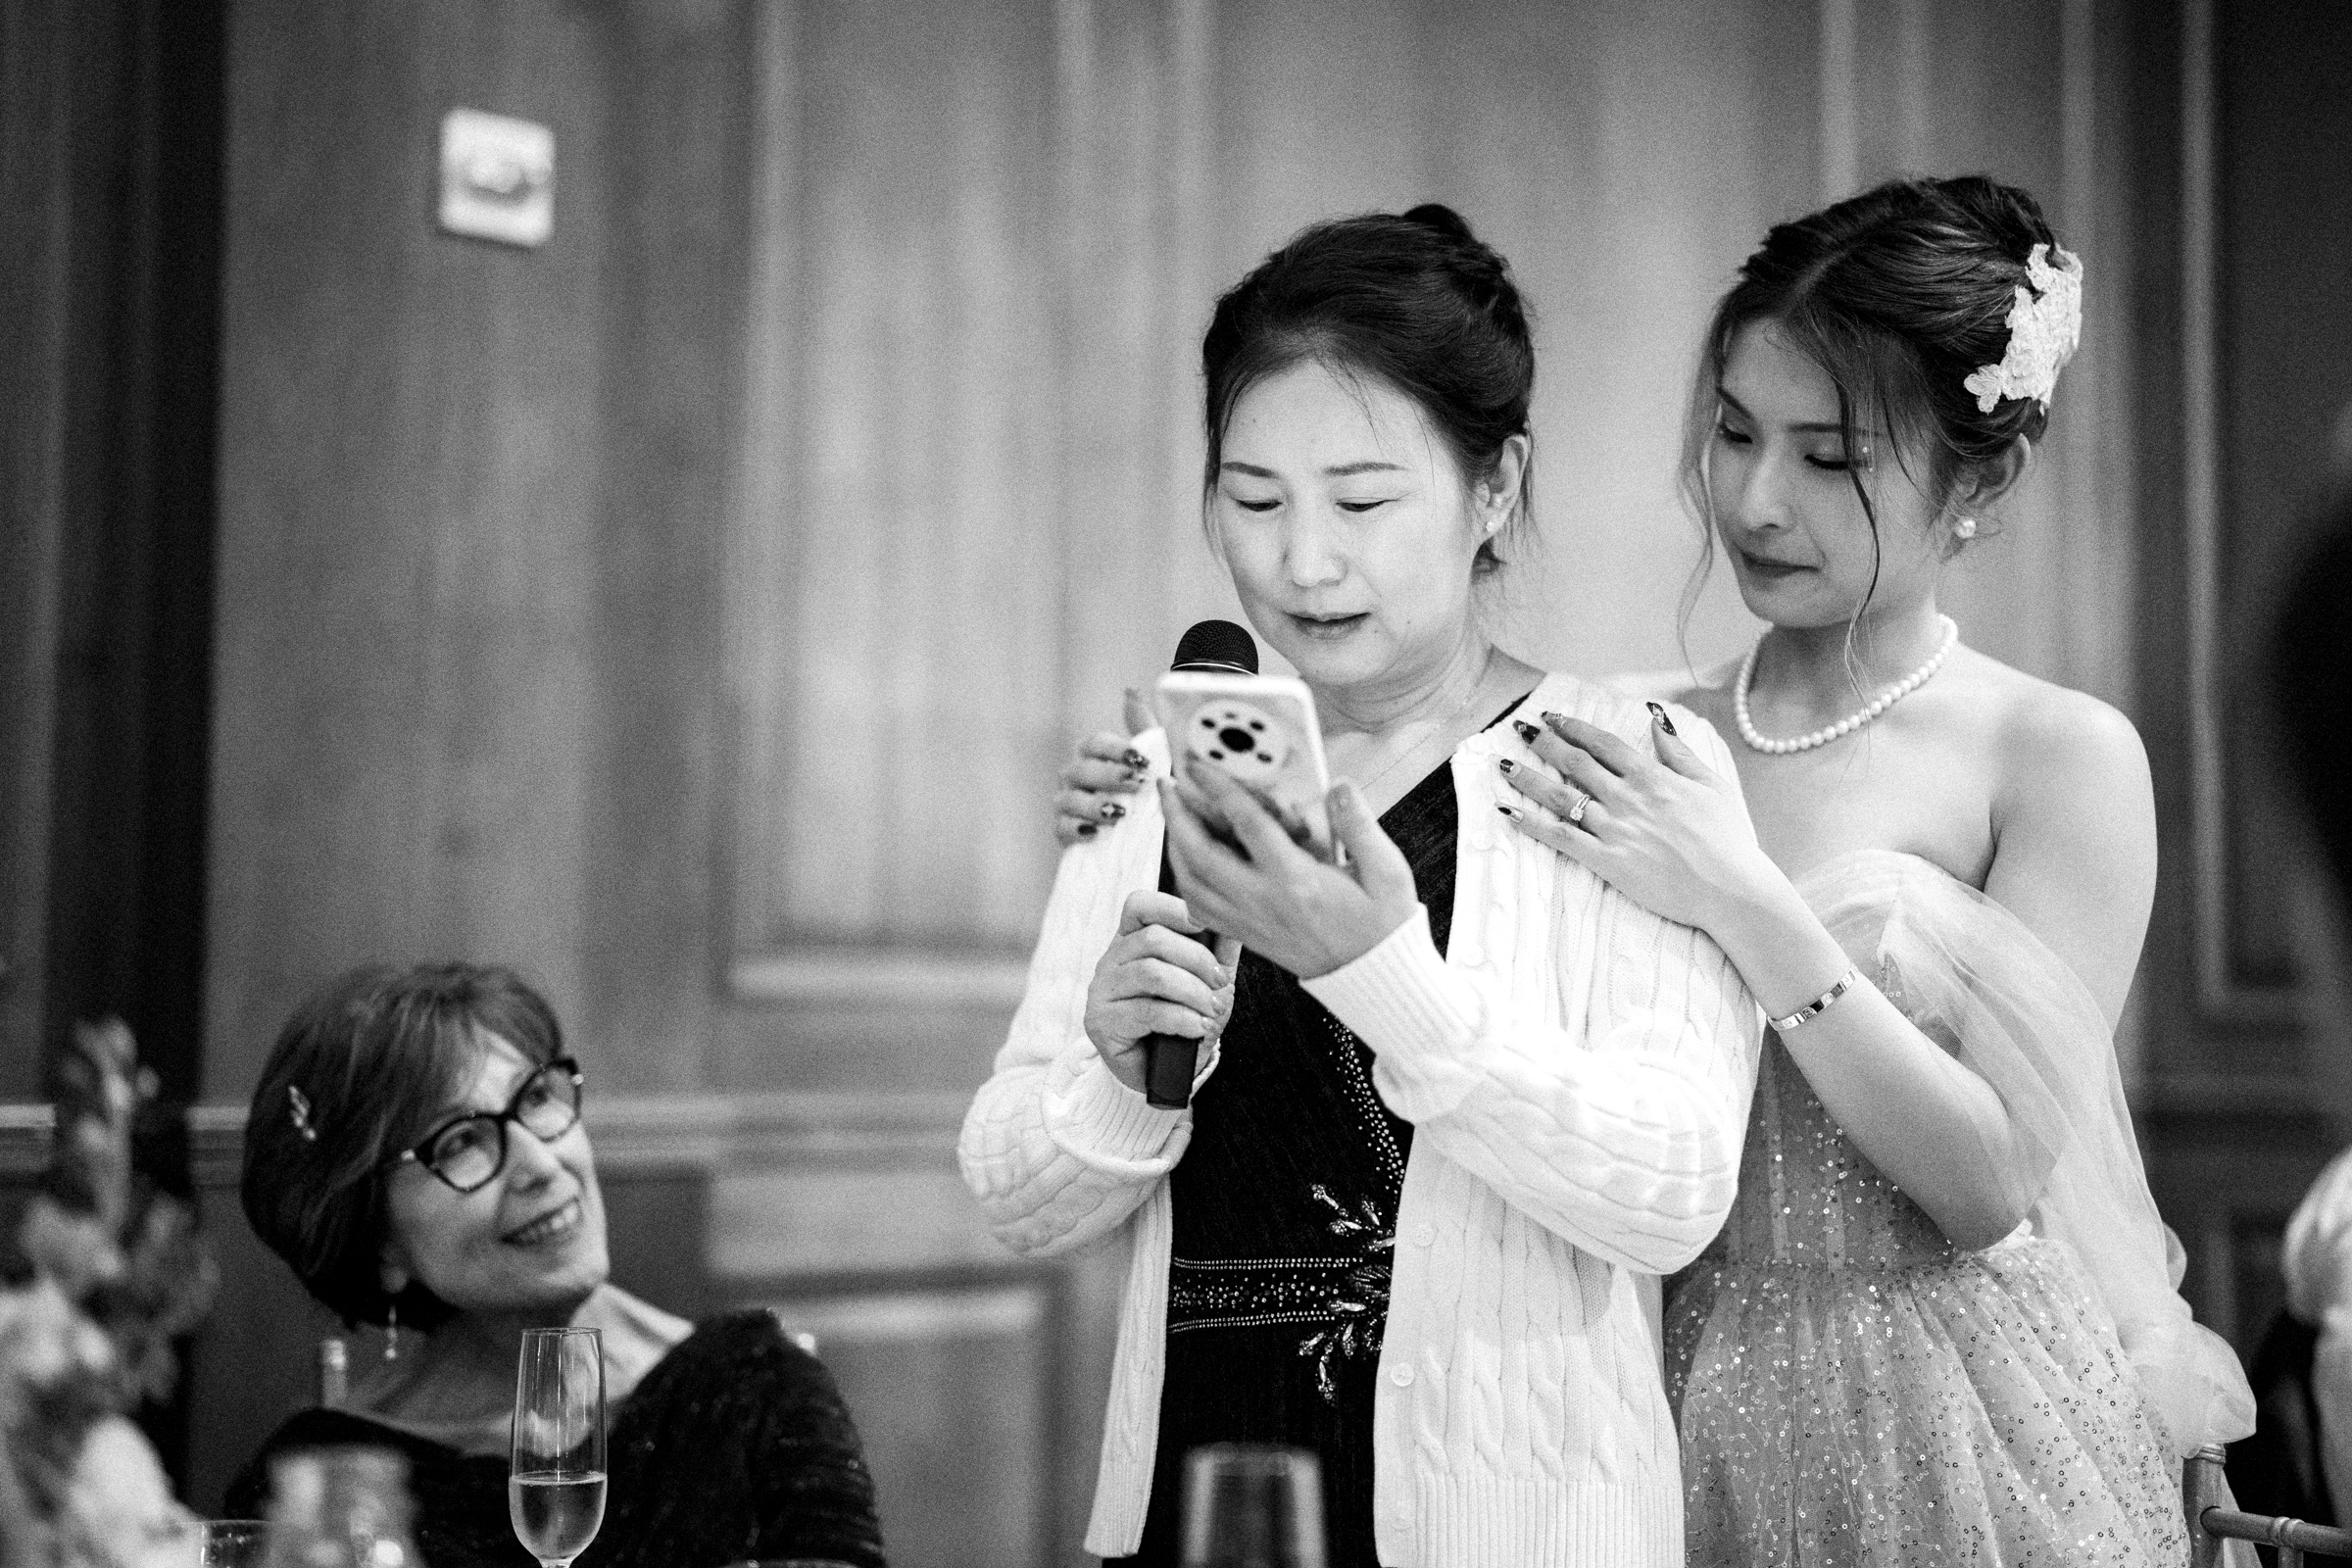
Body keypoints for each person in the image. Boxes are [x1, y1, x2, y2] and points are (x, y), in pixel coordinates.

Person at [962, 205, 1761, 1568]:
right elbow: (1013, 1193)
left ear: (1495, 487)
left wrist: (1385, 967)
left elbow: (1674, 1189)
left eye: (1364, 500)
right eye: (1255, 499)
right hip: (1195, 1499)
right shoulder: (1162, 771)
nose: (1303, 560)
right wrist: (1111, 1067)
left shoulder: (1620, 767)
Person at [227, 961, 888, 1568]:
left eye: (538, 1099)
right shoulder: (314, 1479)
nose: (543, 1166)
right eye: (460, 1142)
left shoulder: (751, 1391)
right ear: (379, 1244)